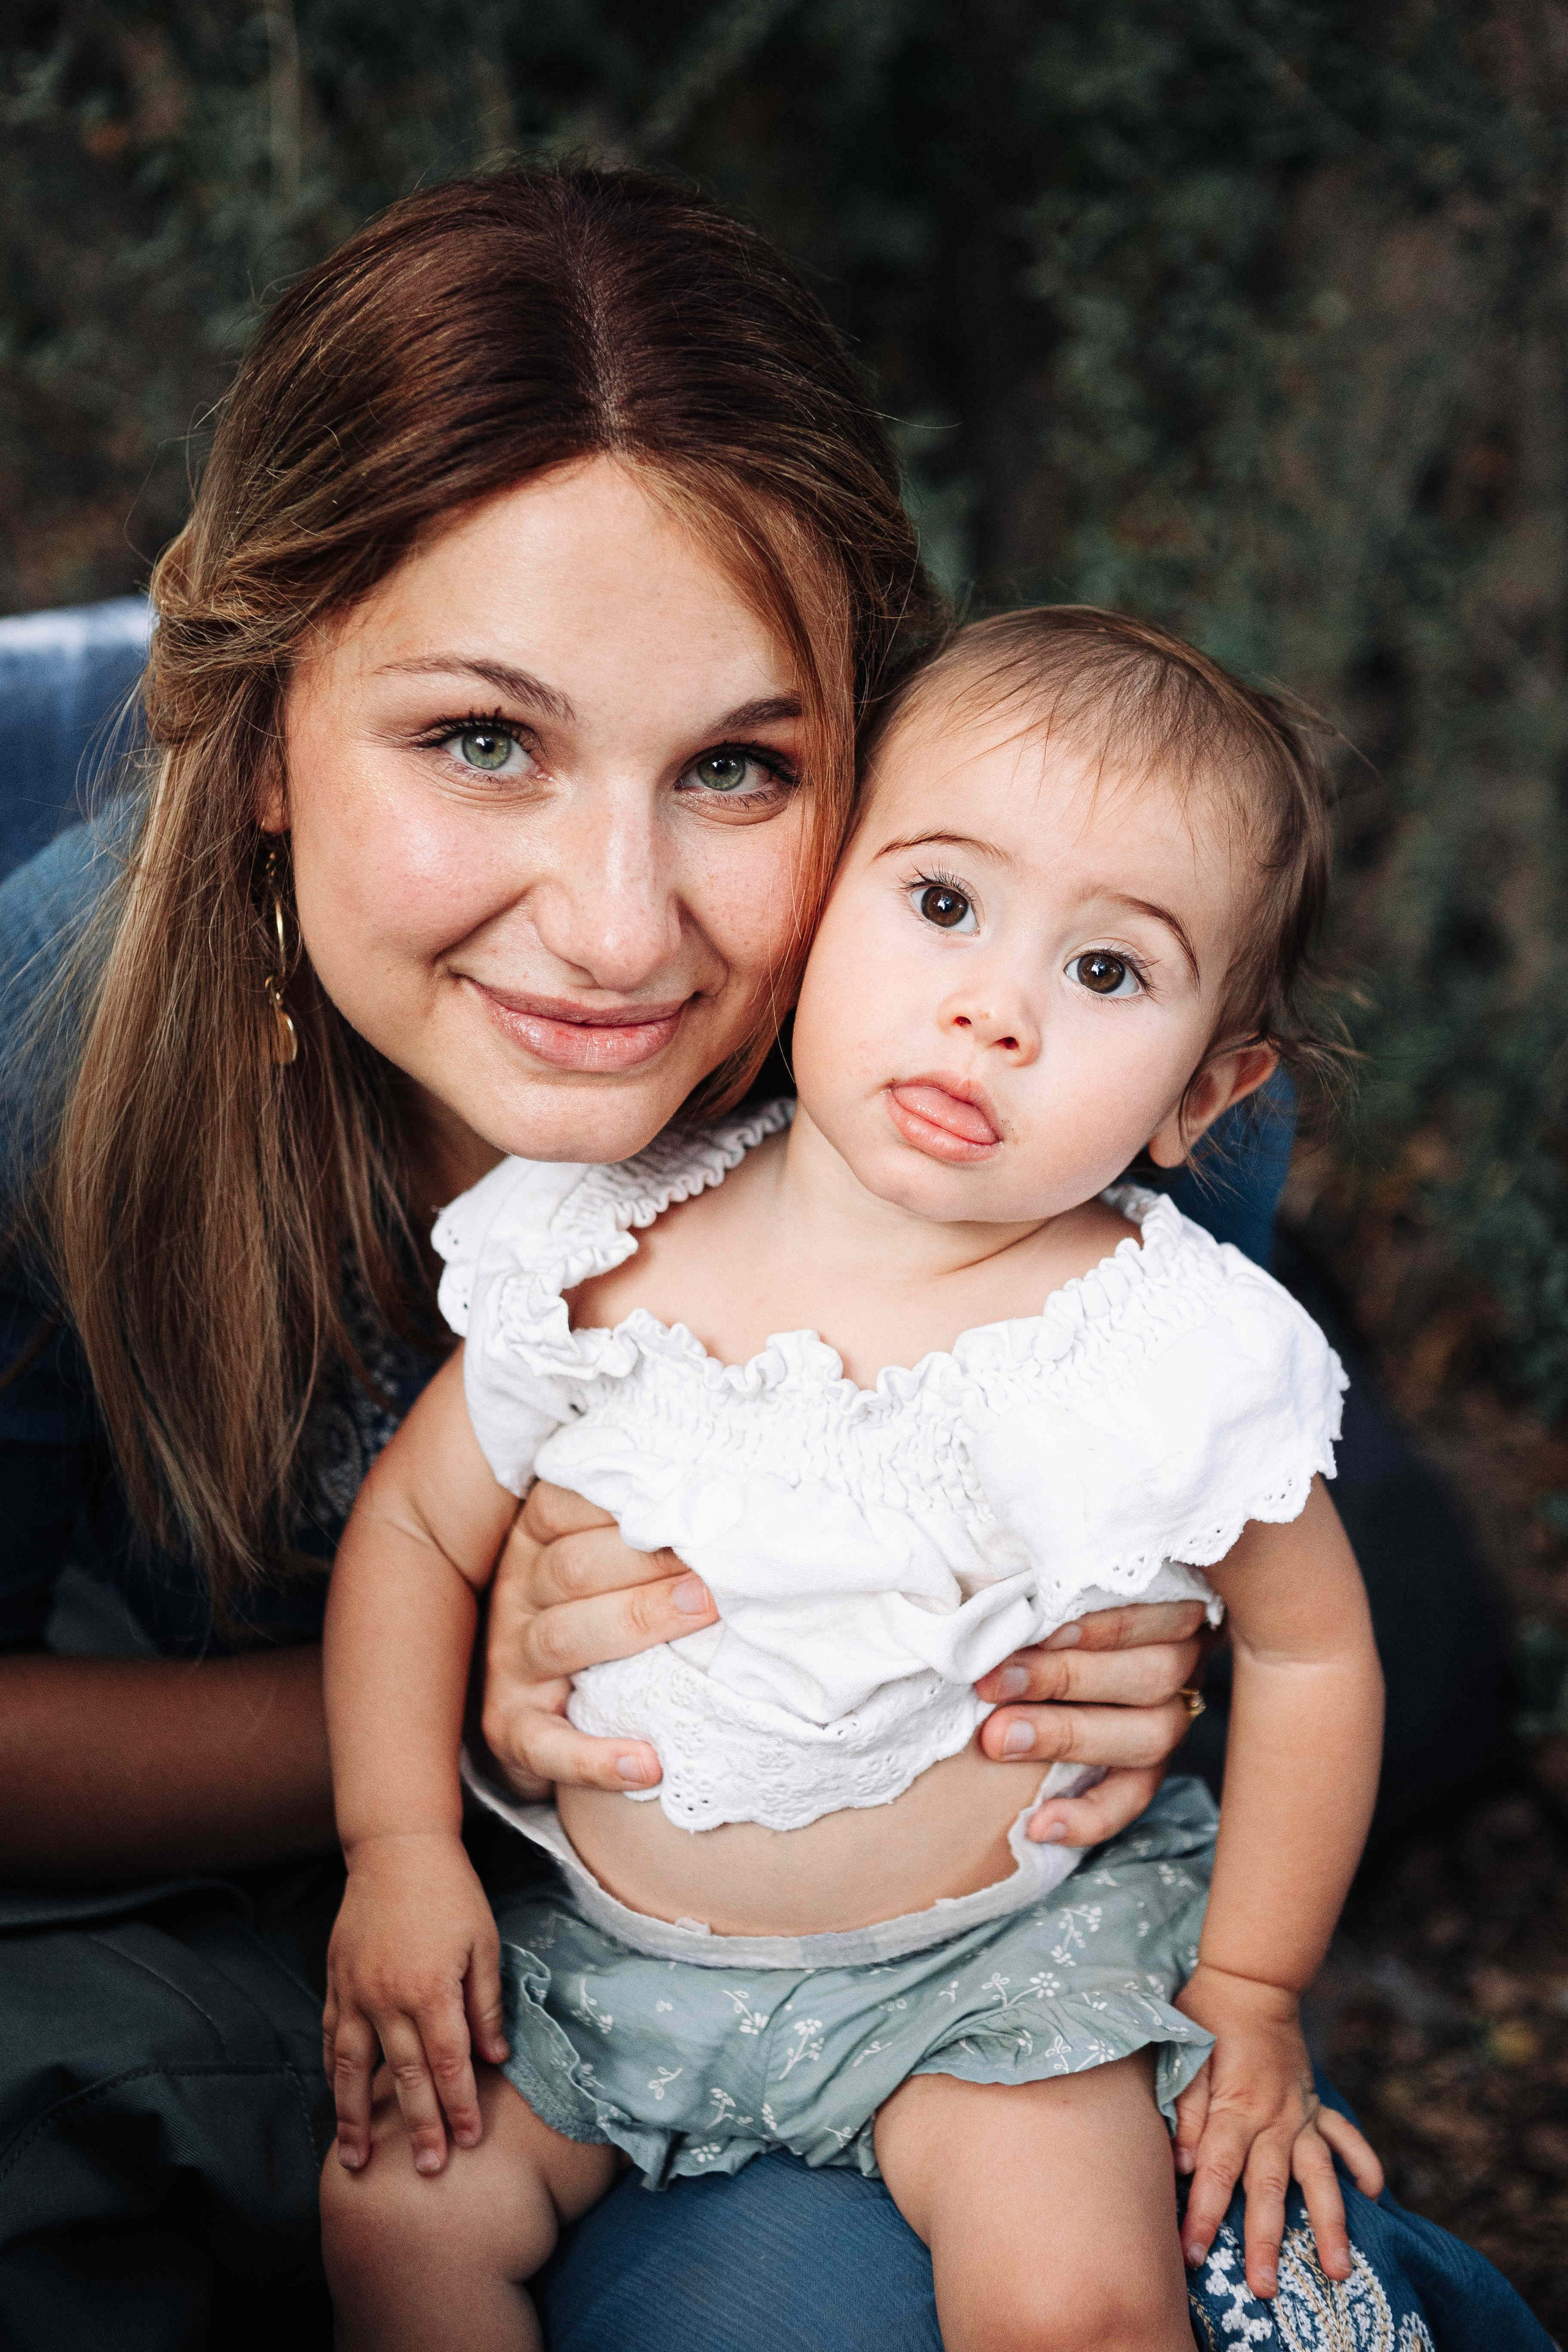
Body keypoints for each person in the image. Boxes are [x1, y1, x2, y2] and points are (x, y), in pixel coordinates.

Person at [0, 170, 1547, 2352]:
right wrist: (455, 1733)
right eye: (479, 738)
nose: (621, 926)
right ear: (256, 734)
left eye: (741, 766)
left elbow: (1275, 1644)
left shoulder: (1044, 1031)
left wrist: (1166, 1680)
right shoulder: (65, 1050)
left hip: (917, 1963)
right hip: (459, 1925)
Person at [316, 606, 1388, 2351]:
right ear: (817, 913)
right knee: (393, 2222)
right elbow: (423, 1531)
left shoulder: (1164, 1349)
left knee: (1085, 2310)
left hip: (984, 1984)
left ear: (1208, 1089)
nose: (996, 1010)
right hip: (596, 1964)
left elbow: (1311, 1654)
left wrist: (1251, 1997)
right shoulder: (609, 1244)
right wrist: (399, 1850)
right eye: (945, 904)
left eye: (1105, 972)